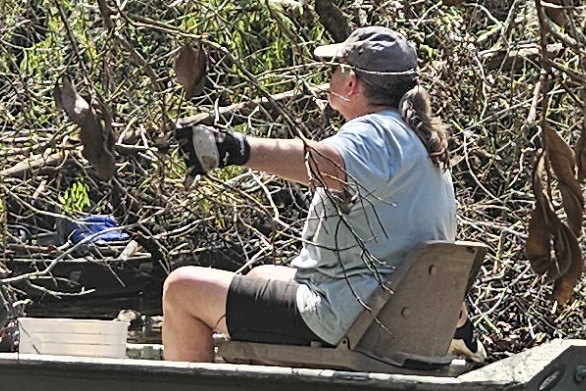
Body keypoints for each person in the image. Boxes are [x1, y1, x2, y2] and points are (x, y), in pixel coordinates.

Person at [160, 25, 458, 363]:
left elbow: (326, 162)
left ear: (351, 82)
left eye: (335, 69)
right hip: (399, 316)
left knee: (180, 289)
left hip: (352, 317)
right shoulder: (419, 141)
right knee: (260, 276)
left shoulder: (375, 132)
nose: (329, 77)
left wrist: (235, 148)